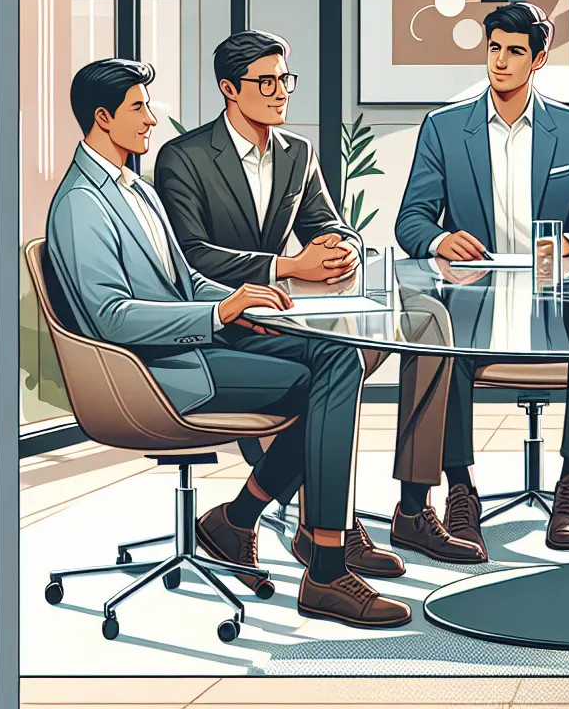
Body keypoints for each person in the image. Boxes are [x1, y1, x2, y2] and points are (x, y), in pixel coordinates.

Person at [45, 59, 409, 629]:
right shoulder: (81, 204)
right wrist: (220, 312)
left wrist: (248, 298)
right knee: (328, 378)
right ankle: (324, 568)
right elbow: (111, 318)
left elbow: (182, 281)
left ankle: (239, 523)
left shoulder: (132, 186)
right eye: (138, 108)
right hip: (155, 373)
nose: (149, 119)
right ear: (101, 118)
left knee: (335, 356)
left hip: (190, 345)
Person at [391, 2, 569, 557]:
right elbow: (411, 219)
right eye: (494, 48)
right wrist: (437, 240)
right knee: (437, 326)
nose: (500, 61)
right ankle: (460, 489)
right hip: (473, 304)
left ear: (539, 59)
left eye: (514, 52)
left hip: (552, 306)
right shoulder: (444, 127)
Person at [153, 30, 403, 579]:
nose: (279, 92)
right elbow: (190, 255)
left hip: (280, 317)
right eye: (264, 81)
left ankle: (261, 521)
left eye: (283, 79)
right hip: (215, 321)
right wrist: (287, 266)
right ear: (229, 90)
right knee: (341, 364)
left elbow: (331, 224)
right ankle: (325, 540)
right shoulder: (183, 157)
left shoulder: (297, 154)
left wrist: (343, 251)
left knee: (356, 353)